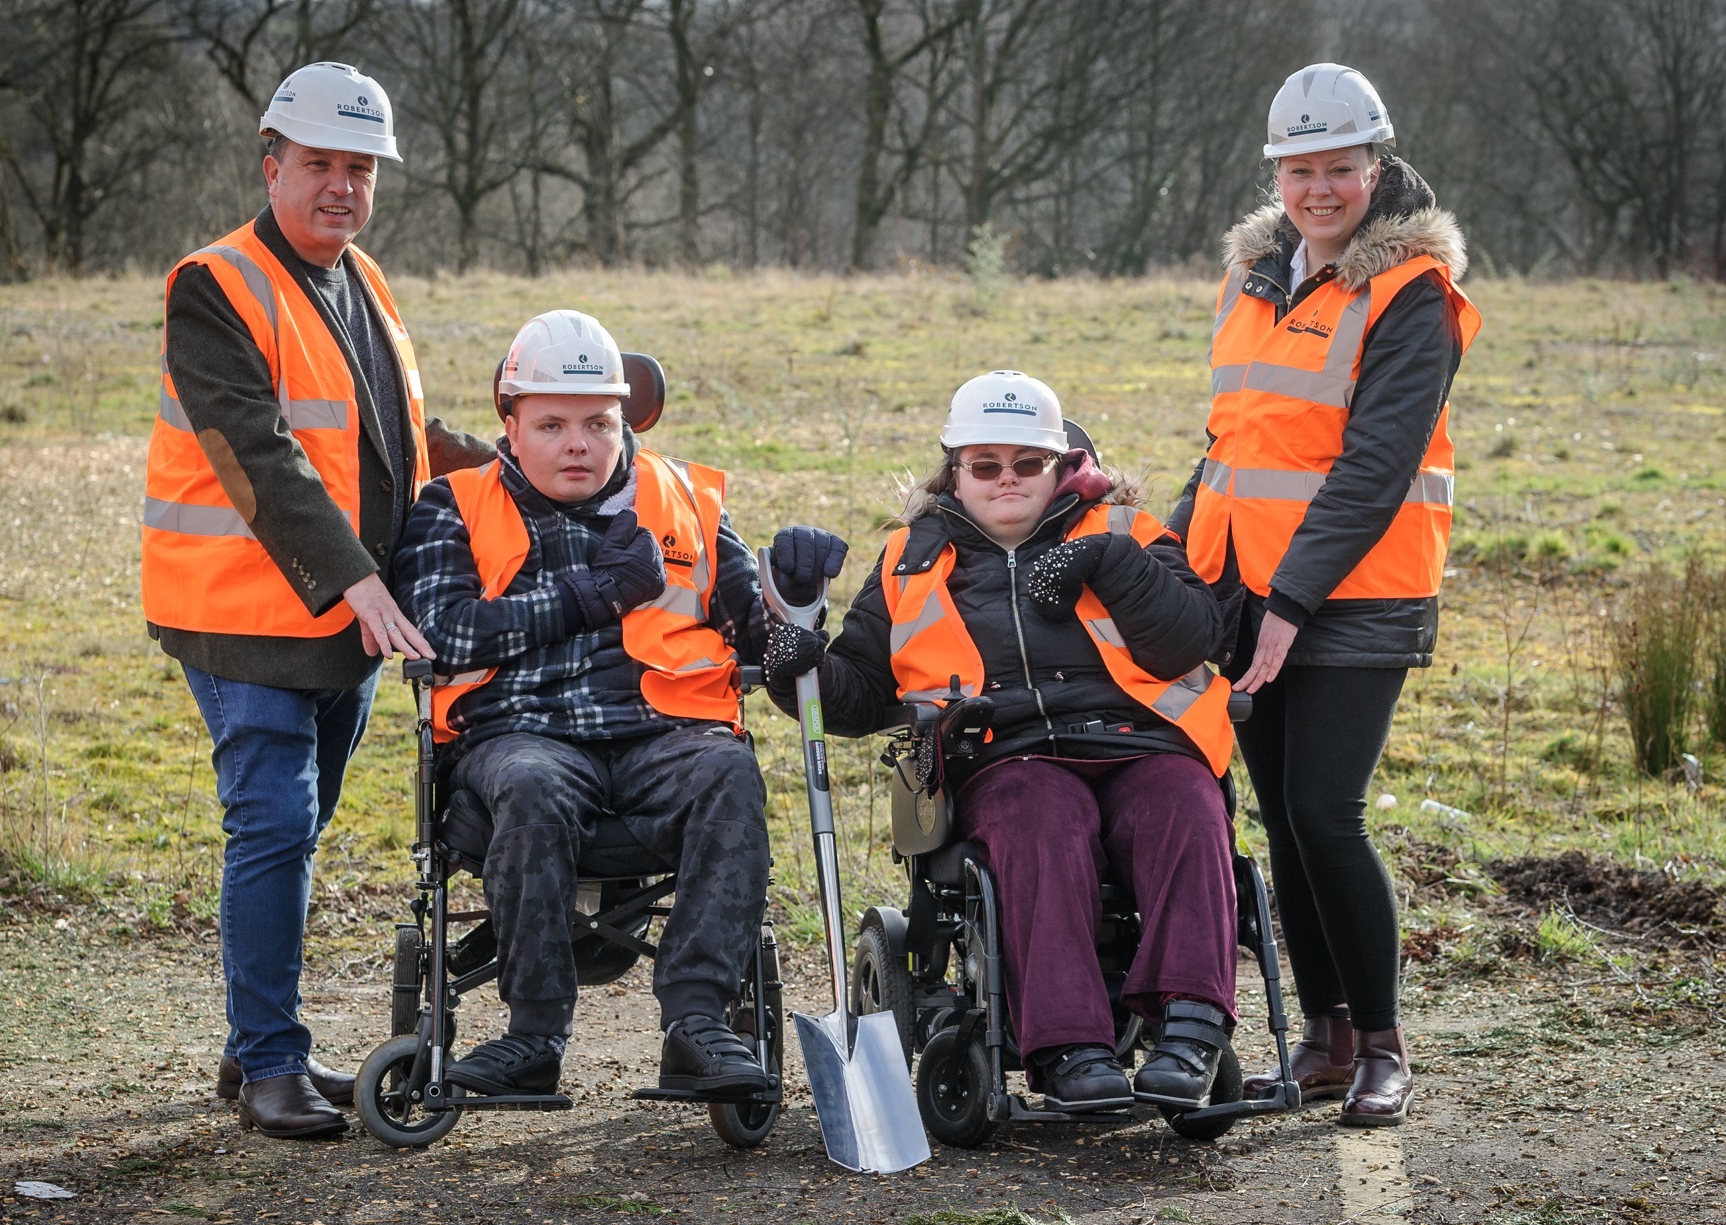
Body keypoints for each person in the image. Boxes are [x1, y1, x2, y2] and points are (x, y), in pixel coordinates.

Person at [143, 62, 492, 1139]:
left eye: (360, 168)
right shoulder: (212, 284)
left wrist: (519, 473)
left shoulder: (363, 279)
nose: (341, 185)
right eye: (321, 165)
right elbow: (261, 454)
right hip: (244, 607)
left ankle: (256, 1044)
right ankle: (272, 1068)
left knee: (297, 826)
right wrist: (355, 577)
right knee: (277, 821)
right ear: (272, 163)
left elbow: (392, 435)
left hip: (346, 619)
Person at [392, 310, 845, 1099]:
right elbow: (441, 633)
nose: (578, 444)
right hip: (519, 735)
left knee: (728, 774)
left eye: (599, 423)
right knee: (532, 784)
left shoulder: (688, 502)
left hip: (665, 735)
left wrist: (798, 602)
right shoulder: (452, 505)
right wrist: (589, 596)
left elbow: (762, 647)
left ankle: (698, 1026)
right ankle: (533, 1035)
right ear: (511, 420)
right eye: (553, 424)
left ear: (624, 418)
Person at [766, 371, 1242, 1113]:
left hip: (1142, 743)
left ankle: (1191, 1027)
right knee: (1038, 814)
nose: (1007, 480)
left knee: (1186, 804)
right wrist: (795, 660)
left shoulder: (1126, 531)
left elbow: (1192, 637)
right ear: (955, 470)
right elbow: (859, 693)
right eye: (985, 465)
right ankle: (1068, 1045)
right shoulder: (909, 561)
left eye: (1029, 463)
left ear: (1061, 466)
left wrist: (1113, 567)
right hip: (1002, 755)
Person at [1170, 64, 1480, 1127]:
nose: (1318, 190)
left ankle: (1384, 1043)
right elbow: (1232, 442)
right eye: (1299, 170)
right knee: (1283, 822)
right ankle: (1323, 1035)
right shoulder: (1254, 276)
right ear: (1277, 173)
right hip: (1245, 588)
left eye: (1338, 169)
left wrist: (1290, 603)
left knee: (1323, 811)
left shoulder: (1411, 295)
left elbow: (1373, 465)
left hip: (1355, 596)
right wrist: (1170, 555)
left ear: (1375, 168)